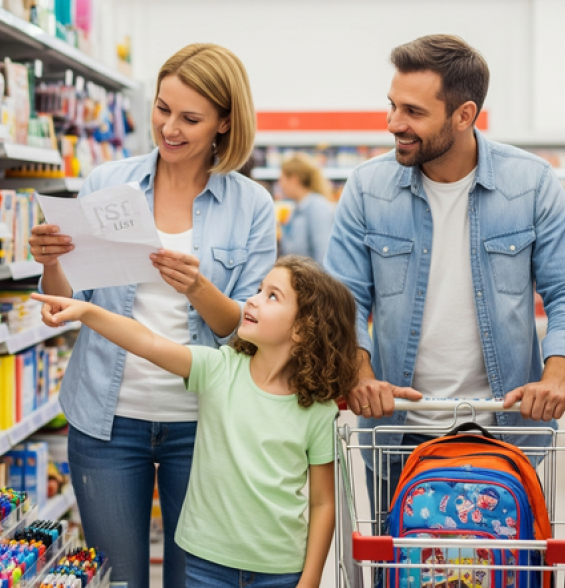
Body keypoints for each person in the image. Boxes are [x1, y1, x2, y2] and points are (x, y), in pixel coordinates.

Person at [28, 43, 276, 588]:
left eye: (190, 118)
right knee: (118, 580)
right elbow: (68, 303)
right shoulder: (106, 184)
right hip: (106, 421)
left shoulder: (251, 205)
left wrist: (198, 287)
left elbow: (248, 331)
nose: (169, 128)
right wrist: (51, 264)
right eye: (162, 109)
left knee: (196, 580)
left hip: (205, 423)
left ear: (224, 123)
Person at [324, 34, 565, 493]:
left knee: (507, 566)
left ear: (464, 114)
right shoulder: (368, 188)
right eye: (392, 106)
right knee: (401, 566)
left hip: (504, 429)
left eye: (413, 112)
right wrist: (360, 374)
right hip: (398, 433)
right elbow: (342, 299)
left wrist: (556, 378)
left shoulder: (530, 184)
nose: (393, 123)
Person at [30, 255, 358, 588]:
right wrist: (87, 311)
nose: (253, 300)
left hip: (280, 570)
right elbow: (148, 342)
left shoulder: (317, 409)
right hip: (205, 566)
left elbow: (323, 502)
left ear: (304, 329)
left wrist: (312, 578)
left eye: (272, 296)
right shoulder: (219, 370)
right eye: (259, 290)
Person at [278, 154, 335, 266]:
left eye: (282, 178)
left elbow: (323, 255)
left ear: (293, 179)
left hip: (312, 281)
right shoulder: (297, 208)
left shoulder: (318, 207)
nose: (280, 184)